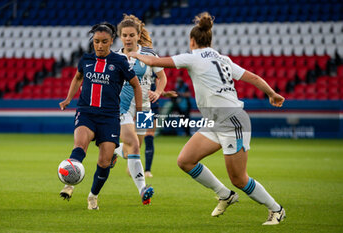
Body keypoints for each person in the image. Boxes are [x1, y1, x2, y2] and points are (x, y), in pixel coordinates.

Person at [129, 12, 286, 225]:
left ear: (192, 41)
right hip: (216, 122)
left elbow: (155, 61)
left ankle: (276, 209)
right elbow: (254, 77)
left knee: (239, 179)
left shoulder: (192, 57)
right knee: (185, 161)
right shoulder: (223, 58)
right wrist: (272, 93)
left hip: (233, 123)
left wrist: (134, 54)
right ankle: (224, 194)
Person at [58, 22, 146, 210]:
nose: (99, 45)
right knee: (80, 146)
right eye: (96, 41)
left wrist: (139, 109)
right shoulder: (86, 59)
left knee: (104, 161)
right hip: (86, 113)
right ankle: (69, 183)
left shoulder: (120, 62)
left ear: (111, 42)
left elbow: (136, 85)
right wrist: (68, 99)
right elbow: (78, 77)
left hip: (109, 117)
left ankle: (93, 196)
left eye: (104, 42)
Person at [114, 14, 167, 203]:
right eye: (124, 35)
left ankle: (115, 151)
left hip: (144, 107)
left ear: (138, 36)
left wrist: (158, 92)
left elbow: (162, 77)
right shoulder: (115, 58)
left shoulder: (150, 55)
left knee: (136, 145)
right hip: (122, 108)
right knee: (134, 143)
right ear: (120, 37)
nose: (127, 39)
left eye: (131, 35)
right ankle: (142, 189)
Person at [144, 78, 177, 177]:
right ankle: (128, 157)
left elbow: (158, 80)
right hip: (141, 102)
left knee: (149, 135)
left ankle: (147, 170)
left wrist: (164, 93)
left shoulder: (153, 66)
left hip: (153, 103)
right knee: (138, 138)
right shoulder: (137, 65)